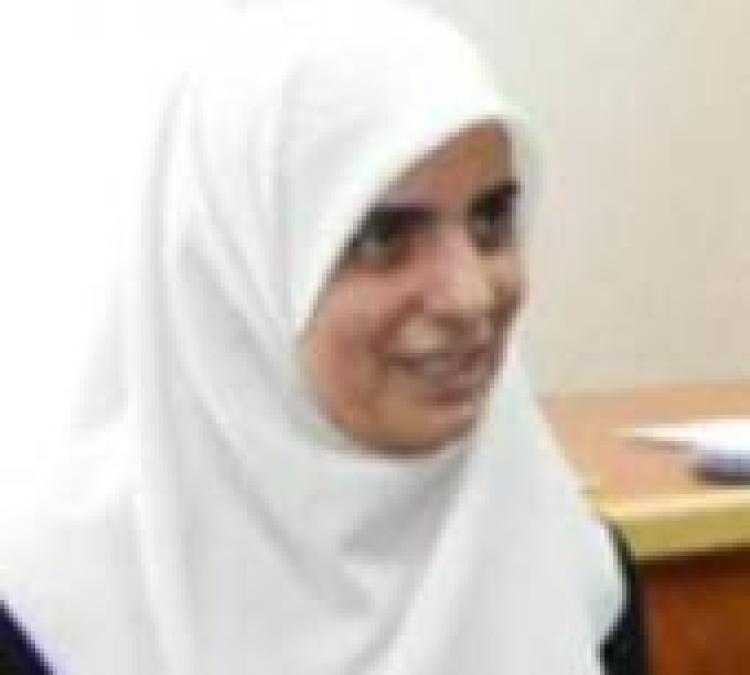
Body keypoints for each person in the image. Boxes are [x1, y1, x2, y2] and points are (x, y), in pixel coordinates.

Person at [0, 2, 647, 673]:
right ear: (236, 277)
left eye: (490, 222)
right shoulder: (50, 612)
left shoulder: (575, 578)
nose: (470, 295)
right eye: (382, 237)